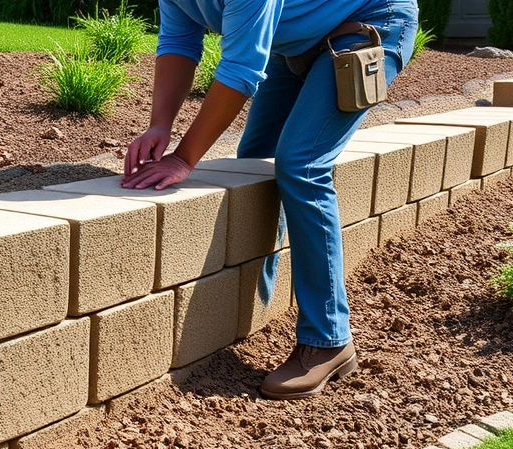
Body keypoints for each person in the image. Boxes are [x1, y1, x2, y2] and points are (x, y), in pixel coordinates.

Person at [121, 0, 418, 399]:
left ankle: (328, 339)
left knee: (302, 164)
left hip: (366, 25)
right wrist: (160, 125)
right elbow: (179, 40)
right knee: (253, 161)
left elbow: (241, 69)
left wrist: (184, 157)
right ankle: (263, 296)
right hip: (296, 43)